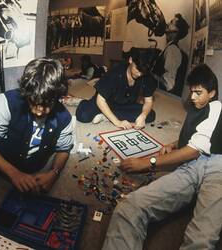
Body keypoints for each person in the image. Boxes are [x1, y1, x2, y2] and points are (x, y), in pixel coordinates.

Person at [102, 64, 222, 250]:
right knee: (129, 208)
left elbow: (194, 149)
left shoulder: (216, 106)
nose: (192, 97)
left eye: (198, 93)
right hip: (189, 167)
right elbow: (197, 137)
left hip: (217, 168)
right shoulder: (196, 106)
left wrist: (146, 163)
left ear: (212, 93)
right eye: (191, 92)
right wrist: (174, 143)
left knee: (201, 239)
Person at [0, 58, 73, 209]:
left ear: (57, 97)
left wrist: (54, 172)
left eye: (46, 105)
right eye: (33, 102)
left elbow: (64, 149)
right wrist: (14, 173)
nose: (39, 110)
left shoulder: (64, 118)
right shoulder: (6, 102)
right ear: (26, 94)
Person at [76, 48, 157, 129]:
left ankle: (106, 116)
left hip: (124, 104)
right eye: (137, 69)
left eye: (143, 72)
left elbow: (149, 101)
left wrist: (143, 116)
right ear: (130, 60)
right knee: (83, 116)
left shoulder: (146, 75)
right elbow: (100, 100)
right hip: (105, 101)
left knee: (150, 115)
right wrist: (117, 122)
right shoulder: (115, 72)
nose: (139, 74)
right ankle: (83, 101)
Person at [152, 13, 189, 96]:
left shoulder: (172, 49)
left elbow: (168, 84)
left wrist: (149, 74)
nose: (168, 23)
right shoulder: (170, 48)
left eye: (171, 22)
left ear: (176, 31)